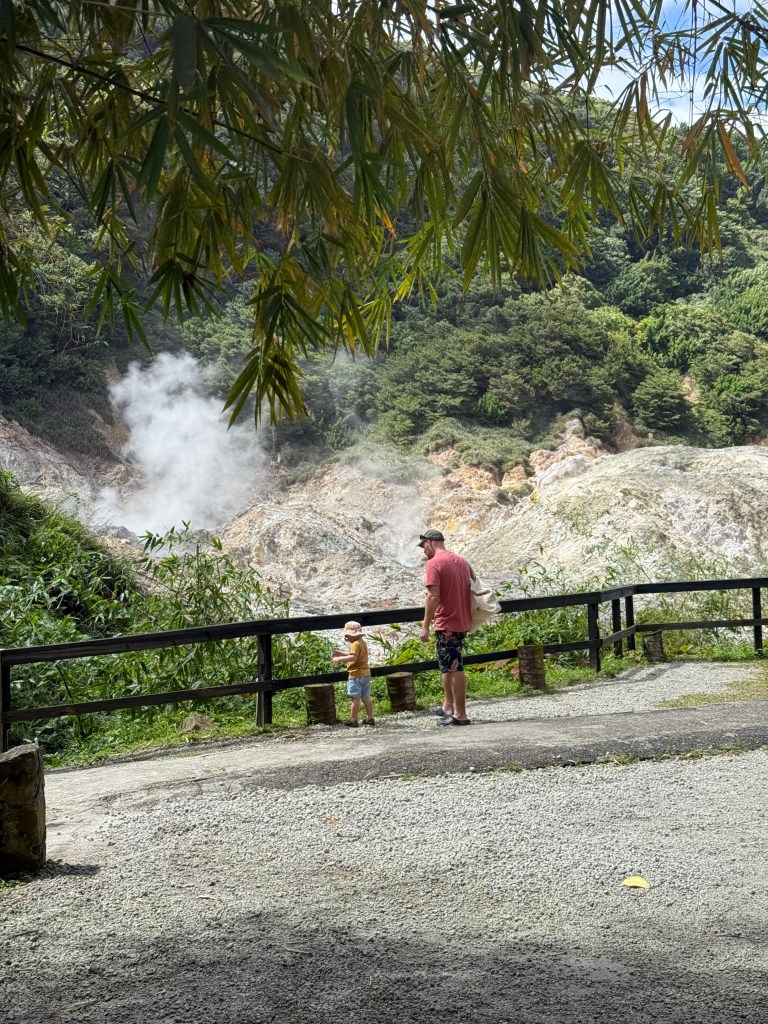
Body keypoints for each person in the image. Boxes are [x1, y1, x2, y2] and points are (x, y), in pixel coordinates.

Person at [418, 529, 475, 726]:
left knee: (454, 667)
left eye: (423, 547)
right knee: (447, 666)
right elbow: (473, 582)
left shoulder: (434, 563)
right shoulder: (461, 560)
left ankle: (460, 714)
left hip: (447, 622)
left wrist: (425, 625)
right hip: (462, 620)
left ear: (429, 542)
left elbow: (433, 596)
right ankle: (448, 706)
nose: (424, 551)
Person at [332, 620, 375, 727]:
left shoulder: (355, 644)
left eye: (347, 636)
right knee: (366, 697)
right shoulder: (362, 642)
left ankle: (353, 720)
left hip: (356, 675)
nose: (346, 638)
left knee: (355, 698)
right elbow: (353, 654)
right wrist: (341, 652)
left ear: (351, 635)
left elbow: (353, 657)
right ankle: (370, 718)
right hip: (366, 674)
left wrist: (339, 658)